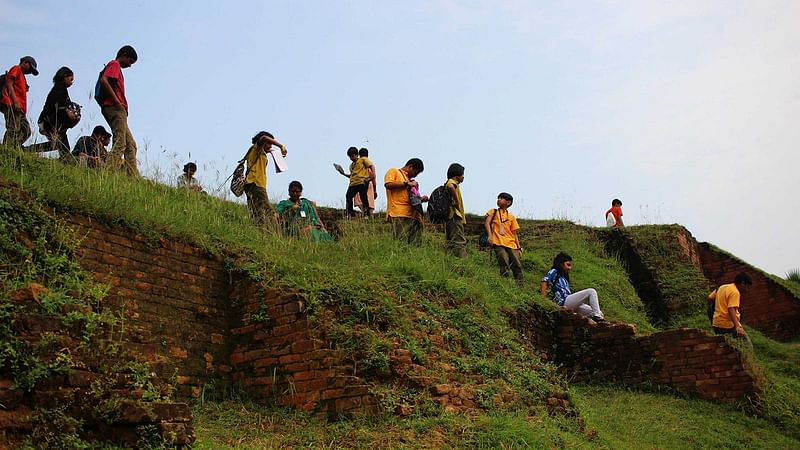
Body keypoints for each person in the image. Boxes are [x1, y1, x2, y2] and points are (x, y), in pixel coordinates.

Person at [98, 45, 139, 176]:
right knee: (120, 141)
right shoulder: (114, 64)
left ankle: (132, 177)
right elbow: (104, 80)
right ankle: (108, 172)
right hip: (114, 108)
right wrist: (117, 102)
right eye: (130, 61)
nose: (130, 65)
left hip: (117, 109)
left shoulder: (116, 68)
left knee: (131, 144)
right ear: (125, 55)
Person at [27, 67, 79, 161]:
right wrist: (68, 112)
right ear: (65, 76)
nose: (72, 83)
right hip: (52, 123)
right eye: (71, 79)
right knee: (63, 150)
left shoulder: (58, 88)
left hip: (52, 123)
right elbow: (58, 105)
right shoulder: (60, 89)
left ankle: (29, 150)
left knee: (58, 146)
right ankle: (28, 150)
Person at [540, 252, 605, 322]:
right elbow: (544, 281)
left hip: (570, 302)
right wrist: (543, 299)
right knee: (591, 291)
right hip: (563, 301)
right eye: (568, 265)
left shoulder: (564, 277)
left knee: (598, 312)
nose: (569, 268)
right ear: (561, 263)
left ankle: (591, 320)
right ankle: (597, 318)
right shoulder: (555, 271)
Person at [244, 130, 287, 227]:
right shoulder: (256, 148)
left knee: (257, 212)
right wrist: (281, 146)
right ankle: (275, 233)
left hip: (252, 184)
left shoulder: (259, 152)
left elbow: (269, 149)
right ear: (262, 142)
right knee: (268, 211)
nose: (271, 146)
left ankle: (260, 231)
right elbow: (263, 138)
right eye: (269, 143)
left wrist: (277, 152)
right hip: (256, 184)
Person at [384, 158, 426, 245]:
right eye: (416, 172)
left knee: (415, 244)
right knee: (401, 242)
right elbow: (388, 184)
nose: (415, 176)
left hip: (413, 216)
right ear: (410, 166)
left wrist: (421, 199)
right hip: (399, 213)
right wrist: (406, 184)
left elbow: (410, 198)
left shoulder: (410, 180)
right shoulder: (394, 171)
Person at [1, 56, 39, 147]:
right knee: (13, 128)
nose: (30, 72)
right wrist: (15, 101)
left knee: (26, 130)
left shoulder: (22, 76)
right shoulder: (16, 69)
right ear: (25, 62)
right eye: (31, 69)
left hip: (20, 109)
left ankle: (13, 146)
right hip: (12, 104)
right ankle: (6, 148)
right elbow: (9, 83)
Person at [485, 192, 522, 283]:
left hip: (511, 244)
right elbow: (487, 223)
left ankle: (520, 283)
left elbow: (514, 233)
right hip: (498, 242)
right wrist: (490, 236)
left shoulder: (511, 216)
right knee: (503, 261)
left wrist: (519, 247)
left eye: (501, 198)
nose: (498, 200)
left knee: (517, 264)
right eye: (498, 198)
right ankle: (504, 282)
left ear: (508, 202)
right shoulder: (493, 212)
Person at [708, 272, 753, 338]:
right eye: (747, 287)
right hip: (726, 326)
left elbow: (710, 298)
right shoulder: (735, 292)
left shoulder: (722, 287)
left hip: (716, 323)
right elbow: (731, 309)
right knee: (745, 339)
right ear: (742, 283)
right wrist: (737, 326)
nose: (747, 290)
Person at [335, 146, 374, 218]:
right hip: (353, 183)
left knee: (363, 196)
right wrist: (343, 173)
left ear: (356, 155)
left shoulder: (362, 160)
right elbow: (352, 175)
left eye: (352, 156)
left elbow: (371, 166)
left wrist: (371, 176)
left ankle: (366, 214)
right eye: (350, 157)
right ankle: (350, 213)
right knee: (348, 196)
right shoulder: (351, 165)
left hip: (362, 182)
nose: (351, 158)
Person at [445, 163, 467, 258]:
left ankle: (450, 259)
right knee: (459, 240)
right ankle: (462, 261)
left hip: (450, 216)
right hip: (454, 215)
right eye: (462, 175)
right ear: (456, 175)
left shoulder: (454, 183)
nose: (463, 177)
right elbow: (450, 186)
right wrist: (457, 202)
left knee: (450, 240)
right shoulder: (452, 182)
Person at [353, 147, 377, 215]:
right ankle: (370, 217)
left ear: (359, 155)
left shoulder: (358, 164)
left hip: (360, 183)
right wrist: (375, 190)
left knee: (360, 200)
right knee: (370, 202)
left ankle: (365, 214)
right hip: (370, 184)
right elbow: (374, 178)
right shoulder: (370, 164)